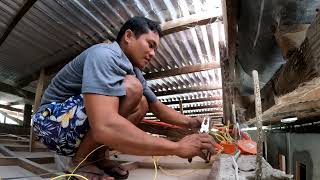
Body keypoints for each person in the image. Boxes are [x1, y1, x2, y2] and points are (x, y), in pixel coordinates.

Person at [32, 16, 215, 180]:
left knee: (142, 102)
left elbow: (157, 107)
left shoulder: (133, 71)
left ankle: (97, 157)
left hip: (72, 125)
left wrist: (192, 122)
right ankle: (81, 161)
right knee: (132, 88)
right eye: (150, 45)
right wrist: (177, 147)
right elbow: (105, 126)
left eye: (155, 49)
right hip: (49, 124)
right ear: (128, 36)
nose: (153, 54)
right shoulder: (104, 54)